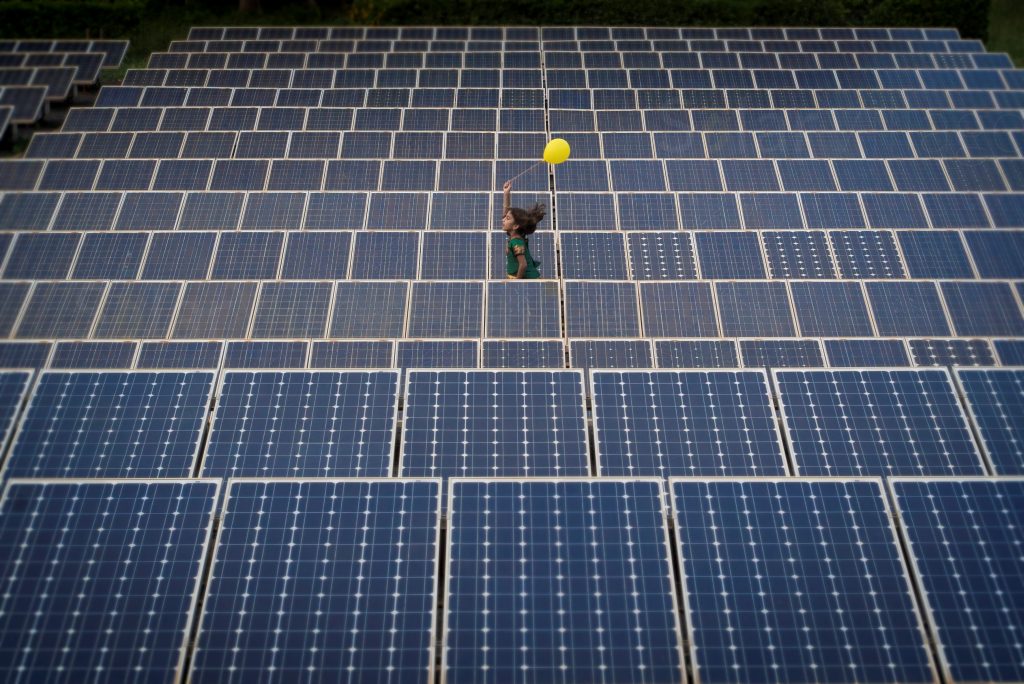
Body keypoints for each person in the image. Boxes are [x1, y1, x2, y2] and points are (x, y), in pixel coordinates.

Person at [501, 180, 545, 279]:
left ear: (515, 226)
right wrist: (506, 193)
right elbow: (506, 213)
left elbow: (523, 264)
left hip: (527, 279)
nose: (503, 219)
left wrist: (517, 282)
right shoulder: (515, 235)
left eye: (507, 219)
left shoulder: (516, 242)